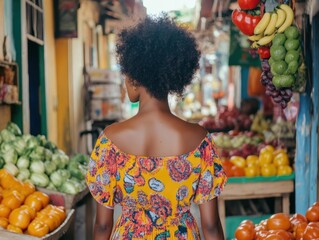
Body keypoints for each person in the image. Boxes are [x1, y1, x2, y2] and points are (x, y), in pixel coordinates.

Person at [86, 15, 227, 240]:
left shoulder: (109, 142)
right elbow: (210, 226)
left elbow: (103, 226)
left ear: (133, 79)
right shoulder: (200, 141)